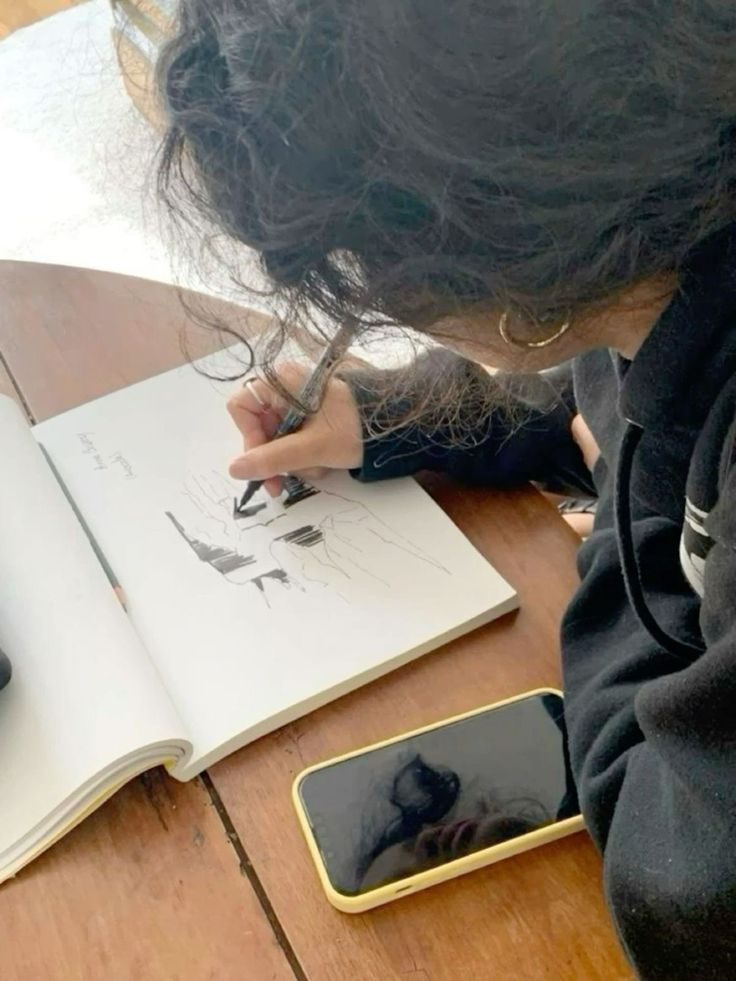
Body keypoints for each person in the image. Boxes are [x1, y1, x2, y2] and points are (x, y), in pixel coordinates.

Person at [156, 2, 736, 976]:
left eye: (367, 280)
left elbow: (683, 900)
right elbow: (604, 363)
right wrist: (397, 416)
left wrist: (626, 514)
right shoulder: (667, 199)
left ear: (506, 258)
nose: (372, 302)